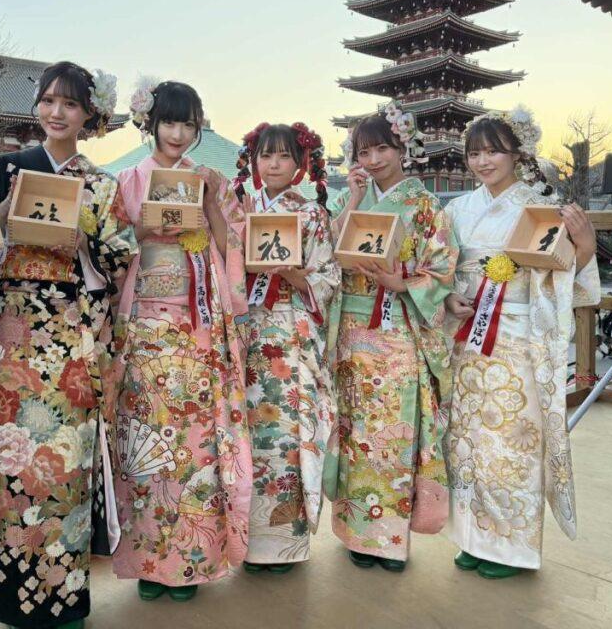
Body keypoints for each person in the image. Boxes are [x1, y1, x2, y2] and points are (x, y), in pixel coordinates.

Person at [0, 61, 135, 629]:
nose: (56, 112)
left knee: (62, 465)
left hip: (70, 336)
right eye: (48, 101)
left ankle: (62, 600)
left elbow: (119, 258)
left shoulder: (101, 184)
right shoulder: (5, 168)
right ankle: (8, 600)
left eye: (70, 103)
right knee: (5, 464)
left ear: (89, 114)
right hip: (10, 335)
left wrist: (80, 242)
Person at [107, 78, 252, 602]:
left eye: (188, 124)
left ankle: (191, 562)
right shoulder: (127, 180)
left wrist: (210, 202)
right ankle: (148, 563)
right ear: (150, 123)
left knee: (194, 444)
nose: (178, 133)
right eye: (169, 121)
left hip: (197, 327)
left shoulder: (210, 178)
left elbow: (232, 243)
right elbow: (111, 244)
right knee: (145, 443)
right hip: (145, 326)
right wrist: (142, 233)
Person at [444, 110, 600, 580]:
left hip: (517, 335)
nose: (482, 161)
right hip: (467, 336)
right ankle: (472, 538)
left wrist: (585, 244)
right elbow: (441, 268)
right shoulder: (457, 209)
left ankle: (510, 548)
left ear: (517, 154)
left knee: (512, 437)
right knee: (465, 440)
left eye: (493, 151)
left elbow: (564, 274)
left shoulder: (540, 207)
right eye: (474, 153)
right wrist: (448, 296)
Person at [326, 105, 456, 573]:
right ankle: (358, 534)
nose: (375, 159)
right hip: (352, 329)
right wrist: (354, 199)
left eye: (383, 148)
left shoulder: (424, 206)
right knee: (355, 430)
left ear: (404, 148)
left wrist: (403, 283)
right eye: (364, 152)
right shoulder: (350, 199)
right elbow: (326, 253)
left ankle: (391, 539)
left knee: (394, 433)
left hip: (398, 327)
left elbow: (442, 266)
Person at [234, 123, 339, 572]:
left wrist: (296, 276)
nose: (273, 164)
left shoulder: (312, 214)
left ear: (300, 164)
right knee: (247, 435)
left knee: (286, 437)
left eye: (283, 156)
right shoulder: (241, 208)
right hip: (247, 334)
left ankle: (285, 545)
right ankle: (246, 540)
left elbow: (328, 277)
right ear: (254, 161)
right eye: (265, 156)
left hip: (290, 335)